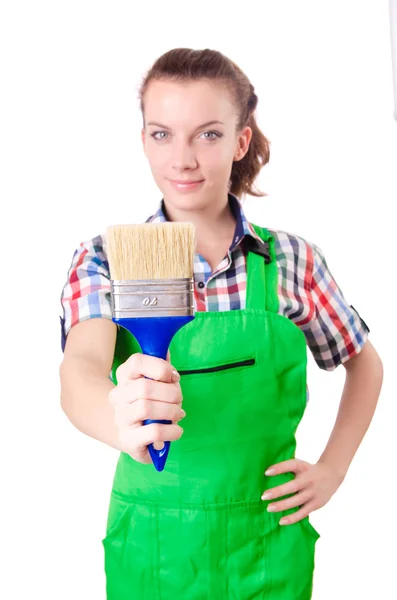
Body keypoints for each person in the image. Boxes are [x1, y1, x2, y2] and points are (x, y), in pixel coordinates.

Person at [59, 47, 383, 600]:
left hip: (265, 542)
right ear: (143, 141)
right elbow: (80, 371)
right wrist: (121, 420)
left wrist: (333, 469)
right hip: (153, 547)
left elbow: (364, 363)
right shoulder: (106, 258)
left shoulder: (293, 262)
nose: (183, 159)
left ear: (241, 141)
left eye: (207, 134)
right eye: (162, 134)